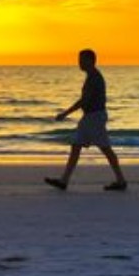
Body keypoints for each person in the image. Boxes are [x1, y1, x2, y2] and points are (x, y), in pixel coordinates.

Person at [44, 48, 127, 192]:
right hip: (91, 117)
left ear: (90, 60)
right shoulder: (92, 76)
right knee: (77, 146)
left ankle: (121, 180)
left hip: (94, 118)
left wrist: (65, 113)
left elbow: (84, 100)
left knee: (105, 149)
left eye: (81, 60)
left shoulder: (94, 77)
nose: (79, 63)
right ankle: (64, 180)